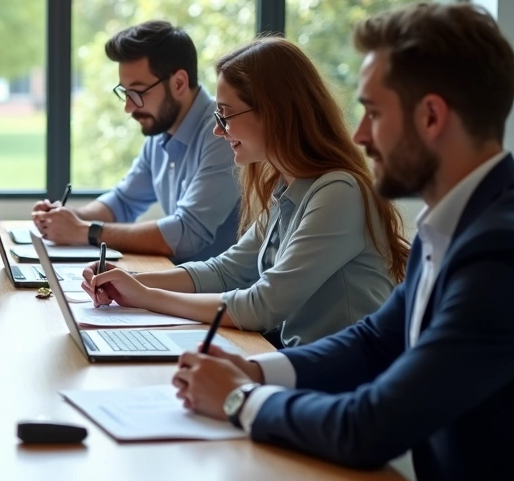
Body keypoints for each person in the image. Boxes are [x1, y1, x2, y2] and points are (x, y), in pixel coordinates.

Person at [172, 2, 514, 481]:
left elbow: (369, 427)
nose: (360, 135)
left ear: (431, 116)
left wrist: (238, 398)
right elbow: (374, 343)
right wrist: (253, 371)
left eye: (375, 113)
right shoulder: (456, 224)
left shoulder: (504, 251)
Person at [85, 37, 408, 347]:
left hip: (341, 375)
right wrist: (127, 279)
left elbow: (261, 306)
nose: (217, 129)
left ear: (274, 113)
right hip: (299, 359)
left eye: (226, 115)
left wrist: (145, 296)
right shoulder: (288, 187)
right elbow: (226, 271)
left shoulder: (339, 193)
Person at [33, 21, 239, 263]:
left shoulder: (222, 133)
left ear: (179, 83)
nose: (129, 107)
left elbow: (187, 235)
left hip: (222, 286)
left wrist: (83, 231)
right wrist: (68, 217)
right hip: (179, 278)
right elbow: (123, 202)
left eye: (138, 92)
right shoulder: (162, 130)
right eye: (125, 92)